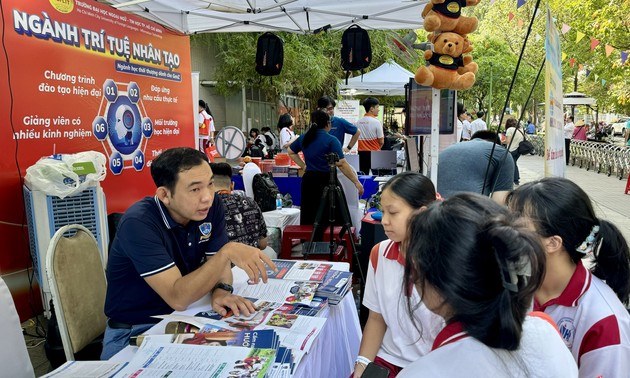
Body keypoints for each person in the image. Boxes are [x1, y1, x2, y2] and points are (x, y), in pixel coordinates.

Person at [102, 147, 277, 359]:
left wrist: (221, 291)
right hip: (135, 329)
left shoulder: (210, 208)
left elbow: (217, 266)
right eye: (195, 189)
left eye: (210, 184)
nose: (207, 197)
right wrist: (227, 252)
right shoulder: (139, 223)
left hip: (184, 318)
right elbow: (178, 297)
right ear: (165, 195)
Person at [398, 193, 578, 377]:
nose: (413, 277)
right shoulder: (547, 333)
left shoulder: (422, 373)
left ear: (443, 282)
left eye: (415, 268)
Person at [507, 177, 630, 377]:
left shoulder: (604, 320)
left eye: (516, 225)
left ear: (553, 243)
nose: (503, 231)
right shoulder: (513, 285)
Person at [353, 172, 444, 378]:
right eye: (382, 211)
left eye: (392, 213)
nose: (384, 220)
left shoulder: (448, 260)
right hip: (388, 362)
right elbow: (376, 319)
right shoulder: (380, 253)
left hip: (435, 366)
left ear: (421, 213)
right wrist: (360, 368)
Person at [288, 109, 364, 228]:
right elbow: (342, 164)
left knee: (310, 213)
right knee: (334, 213)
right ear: (328, 124)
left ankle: (310, 241)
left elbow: (291, 151)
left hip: (309, 181)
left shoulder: (304, 138)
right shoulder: (331, 140)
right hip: (327, 180)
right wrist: (356, 182)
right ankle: (332, 241)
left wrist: (304, 166)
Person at [209, 162, 275, 258]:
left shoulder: (205, 208)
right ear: (232, 185)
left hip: (222, 266)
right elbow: (263, 244)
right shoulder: (250, 202)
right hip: (251, 263)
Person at [437, 130, 514, 204]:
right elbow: (499, 202)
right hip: (465, 212)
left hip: (431, 209)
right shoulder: (500, 152)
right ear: (497, 144)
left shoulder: (451, 148)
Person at [504, 117, 524, 185]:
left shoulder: (510, 129)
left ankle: (515, 179)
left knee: (511, 164)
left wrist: (501, 141)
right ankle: (516, 179)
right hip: (518, 150)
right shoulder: (520, 130)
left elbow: (508, 141)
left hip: (511, 150)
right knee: (514, 163)